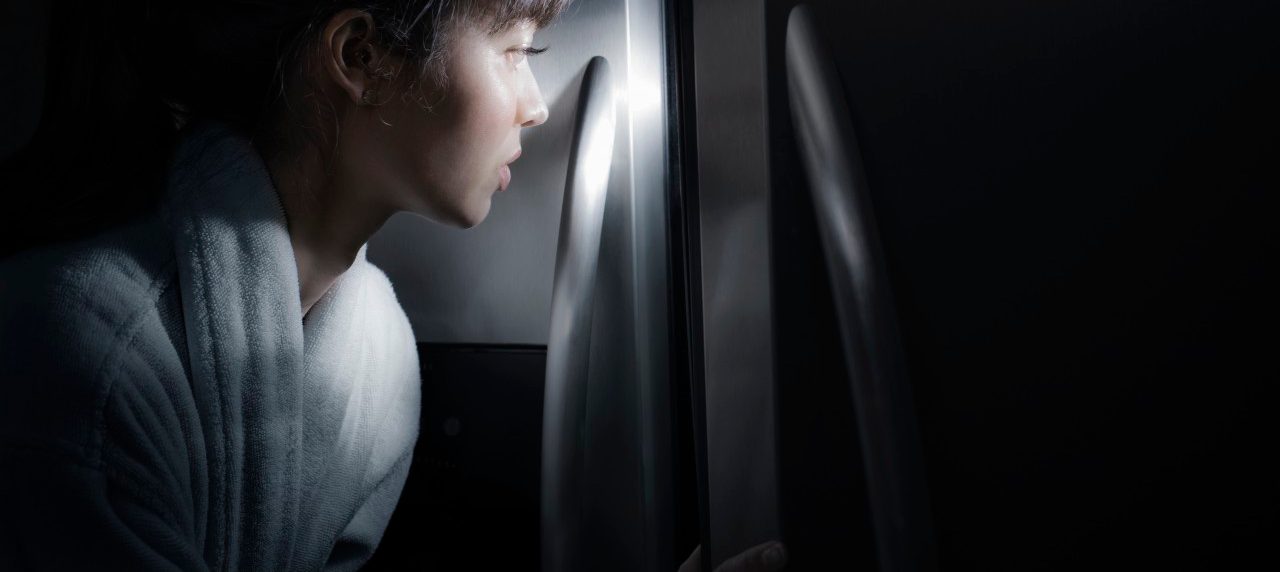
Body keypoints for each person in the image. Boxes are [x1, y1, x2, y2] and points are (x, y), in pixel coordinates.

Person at [0, 1, 785, 570]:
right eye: (516, 51)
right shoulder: (82, 361)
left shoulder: (377, 360)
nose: (538, 106)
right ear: (361, 58)